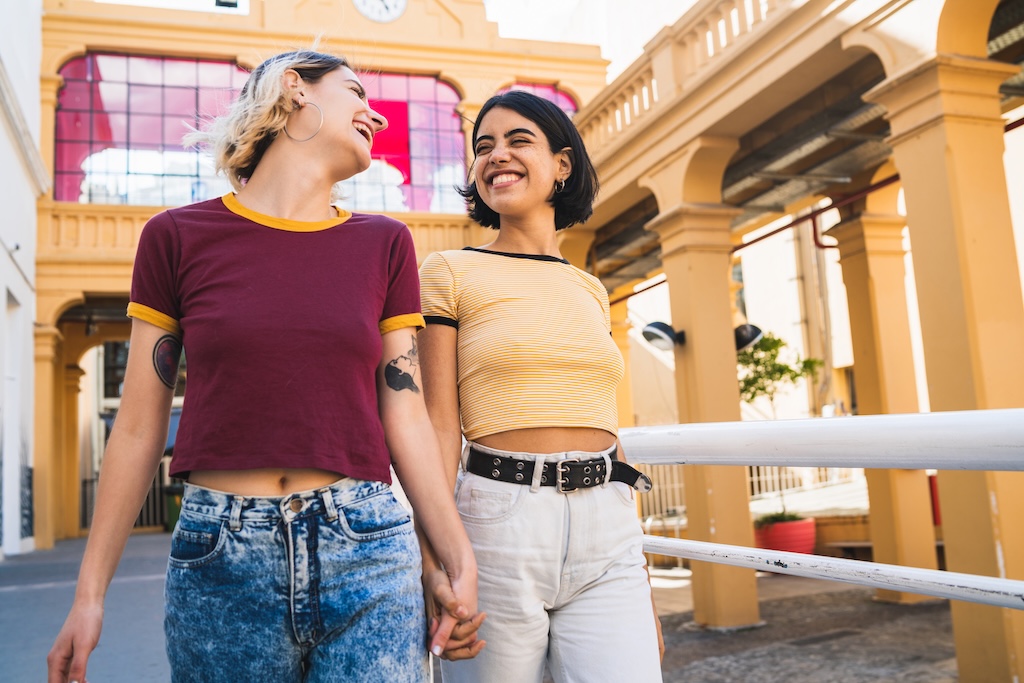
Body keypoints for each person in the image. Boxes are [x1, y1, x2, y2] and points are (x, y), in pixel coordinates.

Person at [47, 49, 479, 683]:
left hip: (366, 545)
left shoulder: (385, 244)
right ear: (294, 89)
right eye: (356, 92)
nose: (376, 117)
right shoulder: (175, 238)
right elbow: (138, 428)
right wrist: (89, 597)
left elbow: (405, 411)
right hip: (220, 558)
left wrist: (453, 556)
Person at [417, 90, 664, 682]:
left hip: (608, 523)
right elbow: (438, 428)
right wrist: (434, 561)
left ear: (562, 164)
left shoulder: (589, 288)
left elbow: (608, 428)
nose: (496, 155)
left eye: (517, 140)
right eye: (484, 146)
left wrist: (645, 580)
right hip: (499, 523)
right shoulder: (449, 271)